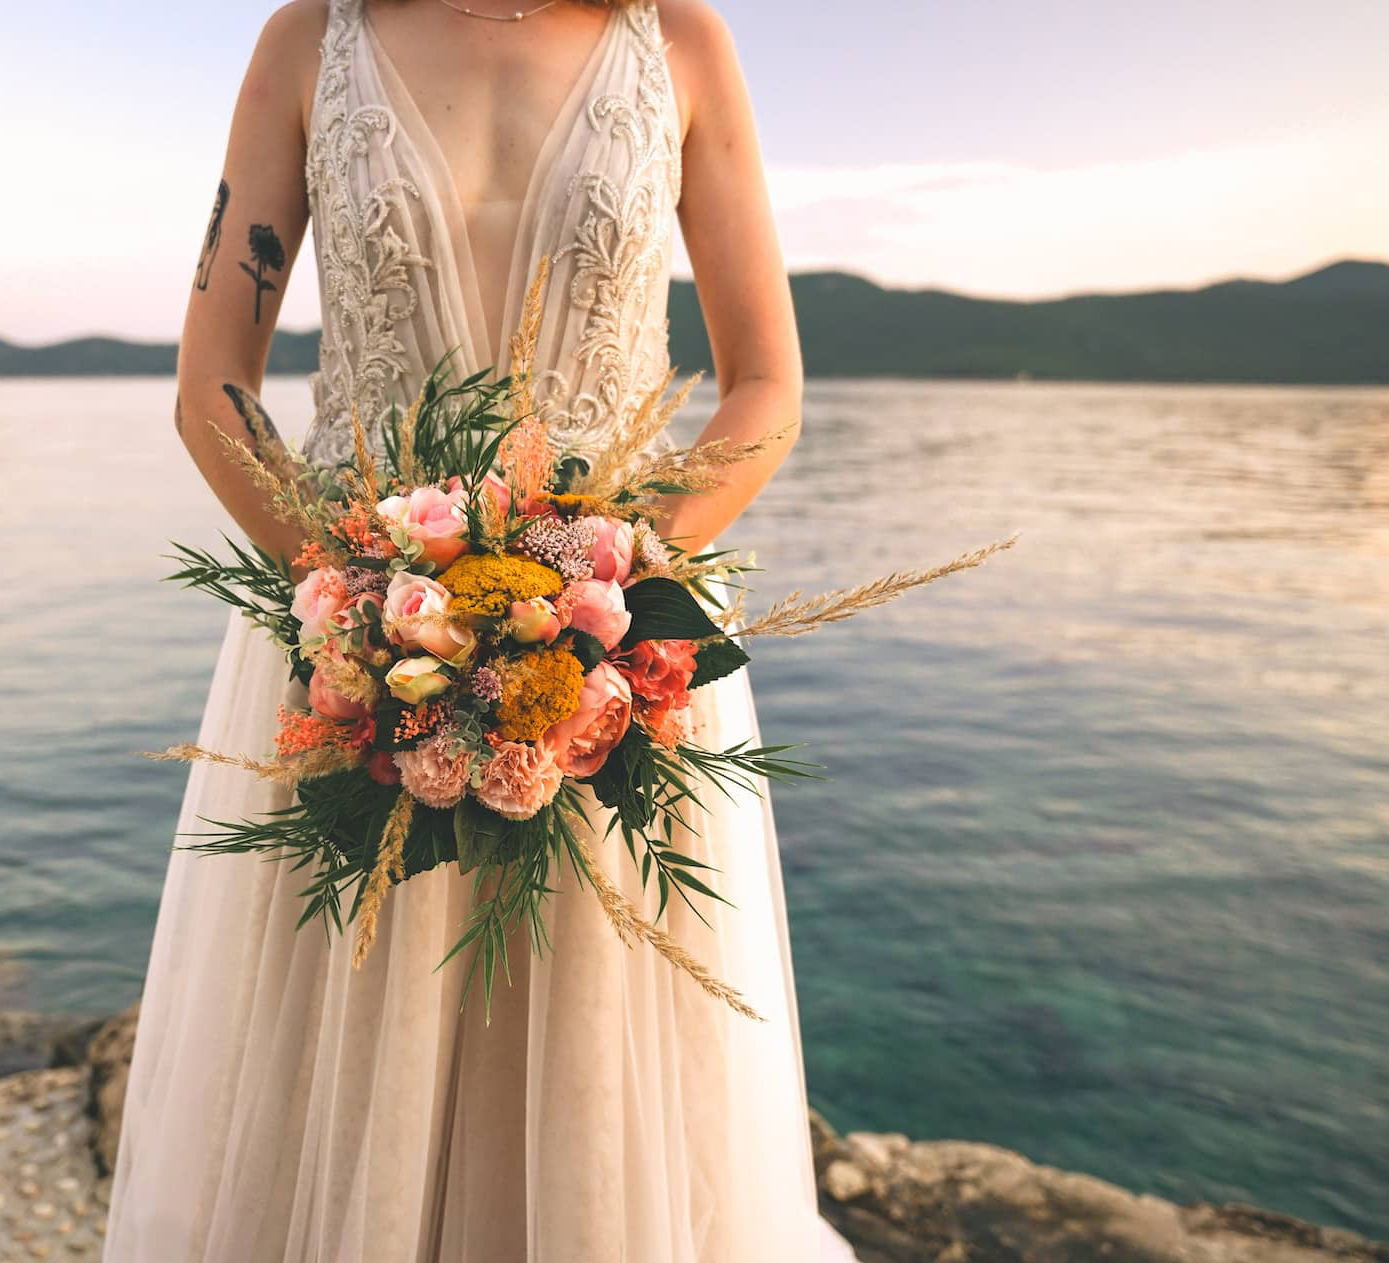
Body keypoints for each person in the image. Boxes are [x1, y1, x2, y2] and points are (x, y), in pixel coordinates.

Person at [104, 2, 858, 1258]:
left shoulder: (677, 41)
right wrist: (359, 605)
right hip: (359, 645)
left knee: (595, 1056)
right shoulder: (312, 39)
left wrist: (597, 595)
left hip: (609, 656)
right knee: (338, 1044)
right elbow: (211, 384)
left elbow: (767, 385)